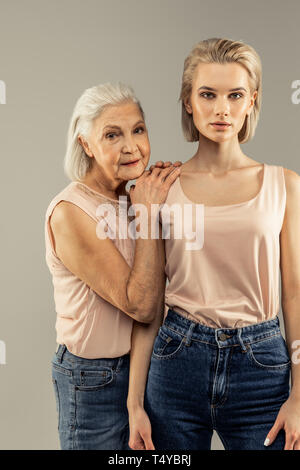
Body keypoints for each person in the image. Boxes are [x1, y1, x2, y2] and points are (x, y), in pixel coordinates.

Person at [127, 37, 300, 450]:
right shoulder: (160, 189)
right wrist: (134, 403)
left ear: (251, 101)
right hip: (177, 360)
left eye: (235, 95)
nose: (222, 109)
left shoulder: (285, 186)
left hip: (263, 364)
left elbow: (294, 294)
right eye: (208, 94)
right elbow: (150, 304)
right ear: (189, 101)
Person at [44, 82, 181, 450]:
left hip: (148, 370)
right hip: (92, 380)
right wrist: (150, 214)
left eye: (138, 129)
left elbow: (153, 311)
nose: (131, 146)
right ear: (86, 144)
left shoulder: (134, 200)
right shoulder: (71, 212)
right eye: (112, 135)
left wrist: (136, 400)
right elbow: (139, 303)